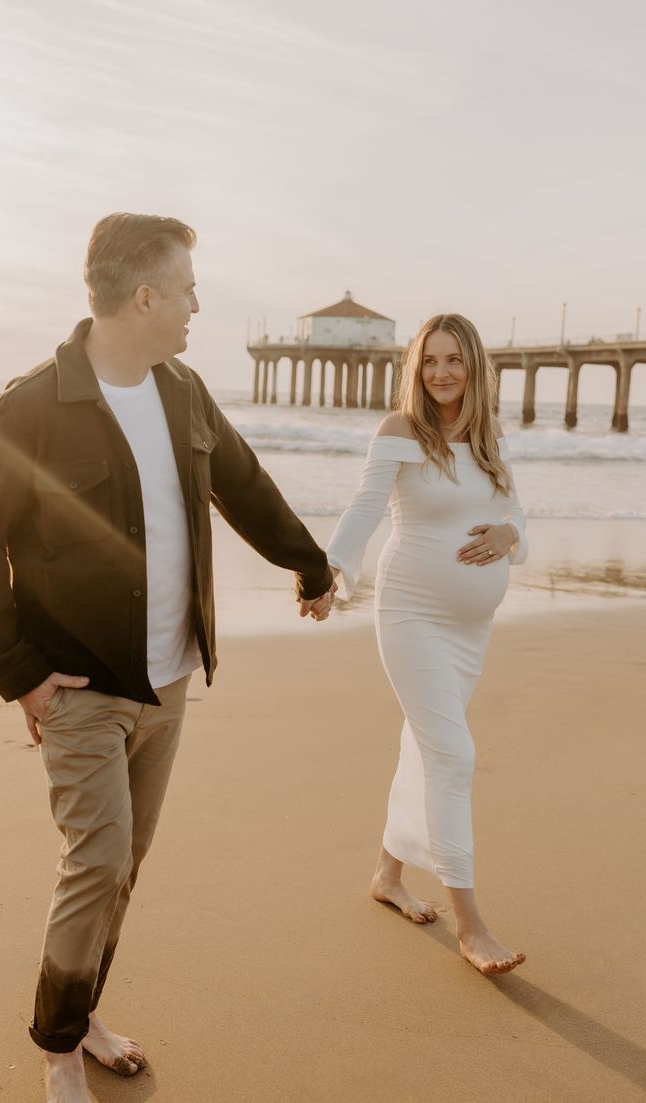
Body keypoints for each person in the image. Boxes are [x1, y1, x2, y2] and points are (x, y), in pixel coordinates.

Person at [0, 212, 335, 1103]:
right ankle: (56, 1049)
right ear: (145, 294)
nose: (198, 304)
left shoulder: (184, 391)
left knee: (127, 862)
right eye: (188, 288)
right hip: (79, 685)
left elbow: (241, 483)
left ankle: (84, 1015)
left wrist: (309, 562)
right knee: (99, 857)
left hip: (168, 680)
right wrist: (22, 672)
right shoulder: (32, 406)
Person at [327, 313, 528, 975]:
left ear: (473, 367)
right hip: (412, 613)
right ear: (416, 368)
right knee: (453, 752)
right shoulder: (399, 431)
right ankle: (470, 924)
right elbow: (363, 510)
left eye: (454, 360)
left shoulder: (487, 440)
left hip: (470, 629)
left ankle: (387, 874)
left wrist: (510, 537)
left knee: (426, 741)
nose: (441, 372)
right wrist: (332, 573)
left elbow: (517, 516)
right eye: (430, 361)